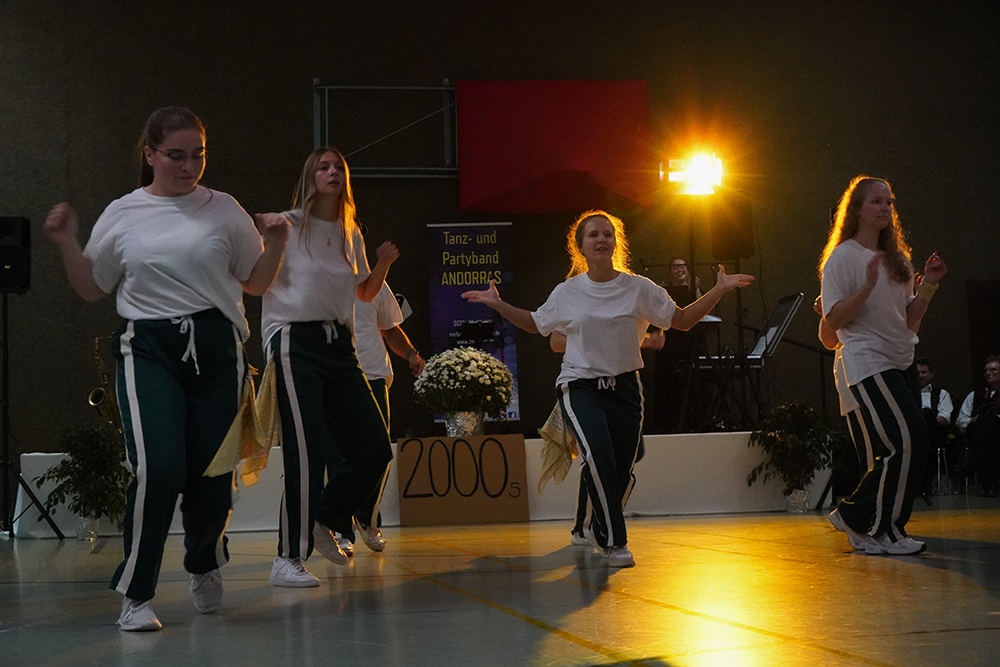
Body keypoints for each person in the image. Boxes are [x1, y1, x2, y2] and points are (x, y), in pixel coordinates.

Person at [43, 107, 289, 631]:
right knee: (159, 468)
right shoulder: (124, 212)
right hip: (148, 348)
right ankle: (136, 594)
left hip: (218, 350)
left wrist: (278, 244)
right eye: (176, 155)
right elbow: (92, 287)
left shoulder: (224, 209)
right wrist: (66, 243)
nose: (189, 166)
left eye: (198, 155)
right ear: (150, 155)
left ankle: (203, 560)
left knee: (212, 478)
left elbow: (256, 283)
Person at [462, 209, 753, 567]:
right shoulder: (568, 292)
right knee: (598, 454)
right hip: (580, 385)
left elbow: (681, 320)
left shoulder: (639, 288)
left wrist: (719, 289)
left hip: (626, 387)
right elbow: (536, 324)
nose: (601, 239)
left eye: (607, 234)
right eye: (593, 235)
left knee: (622, 470)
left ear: (616, 243)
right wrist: (498, 304)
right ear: (581, 246)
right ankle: (615, 542)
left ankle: (592, 525)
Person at [261, 148, 397, 588]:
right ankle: (288, 557)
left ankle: (327, 517)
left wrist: (383, 263)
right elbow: (255, 275)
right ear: (310, 176)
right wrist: (263, 235)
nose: (332, 172)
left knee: (374, 448)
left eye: (339, 167)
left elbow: (363, 293)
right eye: (324, 167)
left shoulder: (349, 232)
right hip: (293, 338)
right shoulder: (287, 224)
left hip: (339, 343)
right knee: (307, 450)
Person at [820, 175, 946, 556]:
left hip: (901, 357)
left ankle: (863, 518)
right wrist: (866, 286)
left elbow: (908, 319)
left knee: (911, 443)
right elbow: (834, 319)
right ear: (857, 209)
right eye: (876, 201)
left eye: (889, 202)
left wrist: (929, 285)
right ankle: (880, 527)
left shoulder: (898, 260)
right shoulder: (842, 258)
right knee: (907, 438)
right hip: (868, 359)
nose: (885, 208)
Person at [334, 282, 425, 555]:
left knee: (380, 452)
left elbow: (389, 327)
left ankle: (368, 517)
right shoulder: (323, 273)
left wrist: (411, 354)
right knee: (340, 454)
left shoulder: (375, 282)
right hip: (336, 375)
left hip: (374, 375)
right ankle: (341, 527)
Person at [814, 296, 873, 481]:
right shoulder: (837, 292)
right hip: (853, 381)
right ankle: (873, 496)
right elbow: (829, 341)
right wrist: (826, 314)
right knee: (869, 458)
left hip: (878, 370)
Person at [648, 257, 705, 433]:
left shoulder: (693, 292)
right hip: (669, 346)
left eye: (683, 267)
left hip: (690, 345)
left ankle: (692, 423)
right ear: (670, 273)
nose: (680, 270)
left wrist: (696, 289)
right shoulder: (664, 293)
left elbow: (702, 315)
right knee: (667, 385)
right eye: (676, 267)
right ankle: (665, 424)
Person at [955, 356, 1000, 495]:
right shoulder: (974, 395)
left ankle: (972, 464)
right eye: (986, 370)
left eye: (993, 370)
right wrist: (974, 420)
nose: (988, 373)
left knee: (993, 431)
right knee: (986, 424)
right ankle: (991, 484)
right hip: (977, 435)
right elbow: (960, 421)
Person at [915, 357, 954, 495]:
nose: (920, 375)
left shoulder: (941, 394)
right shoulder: (907, 394)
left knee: (926, 414)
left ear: (931, 374)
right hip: (913, 434)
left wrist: (924, 422)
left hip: (934, 435)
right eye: (918, 372)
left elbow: (945, 418)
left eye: (924, 372)